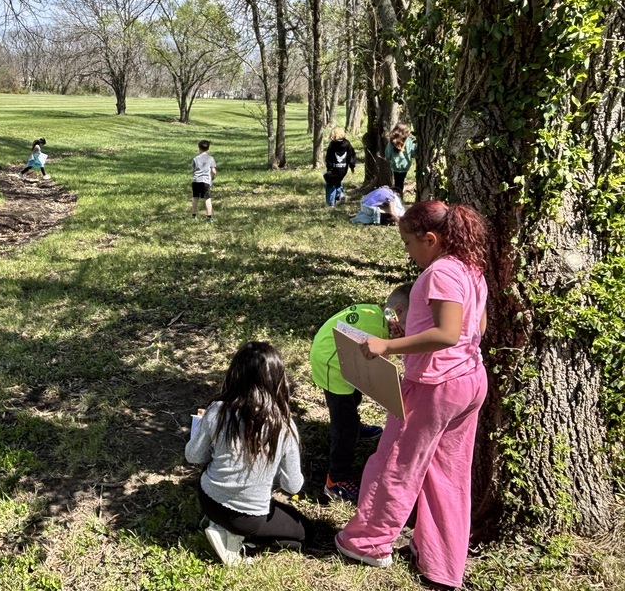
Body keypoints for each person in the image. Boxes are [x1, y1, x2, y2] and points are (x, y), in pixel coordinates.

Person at [335, 200, 490, 590]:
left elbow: (447, 334)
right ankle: (441, 563)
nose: (407, 251)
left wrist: (389, 346)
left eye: (408, 244)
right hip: (470, 380)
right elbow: (478, 326)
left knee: (396, 463)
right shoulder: (472, 269)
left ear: (431, 239)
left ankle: (368, 542)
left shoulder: (440, 273)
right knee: (447, 474)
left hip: (435, 385)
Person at [185, 341, 307, 566]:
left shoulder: (218, 411)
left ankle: (221, 527)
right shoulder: (284, 426)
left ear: (235, 374)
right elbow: (293, 486)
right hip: (249, 518)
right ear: (278, 380)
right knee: (302, 530)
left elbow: (193, 456)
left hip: (209, 500)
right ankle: (235, 540)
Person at [309, 284, 412, 502]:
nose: (410, 330)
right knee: (343, 426)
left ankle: (356, 426)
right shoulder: (377, 331)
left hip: (342, 360)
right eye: (410, 323)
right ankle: (336, 480)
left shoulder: (376, 315)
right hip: (333, 365)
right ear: (399, 311)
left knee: (354, 398)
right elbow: (377, 373)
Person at [324, 127, 357, 207]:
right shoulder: (347, 144)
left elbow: (329, 157)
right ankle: (340, 194)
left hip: (334, 168)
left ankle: (331, 203)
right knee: (337, 181)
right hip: (343, 169)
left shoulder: (332, 144)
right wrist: (352, 166)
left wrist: (329, 168)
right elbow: (351, 155)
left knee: (330, 184)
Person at [385, 123, 416, 196]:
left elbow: (387, 155)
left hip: (395, 166)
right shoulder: (409, 141)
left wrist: (389, 159)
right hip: (405, 167)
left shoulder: (391, 141)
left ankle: (397, 197)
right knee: (401, 181)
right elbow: (413, 152)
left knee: (397, 182)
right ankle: (399, 196)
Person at [191, 139, 217, 221]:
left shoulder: (195, 158)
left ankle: (194, 216)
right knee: (207, 198)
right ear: (208, 148)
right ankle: (209, 217)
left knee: (195, 197)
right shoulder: (210, 158)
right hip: (205, 181)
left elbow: (193, 170)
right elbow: (213, 171)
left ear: (199, 147)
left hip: (196, 180)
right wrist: (212, 177)